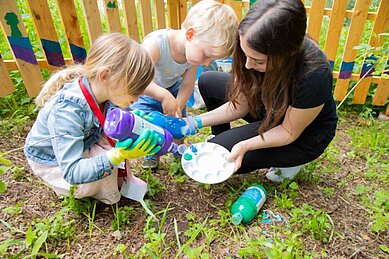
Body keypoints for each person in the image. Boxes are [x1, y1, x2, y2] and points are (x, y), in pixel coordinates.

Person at [188, 0, 338, 183]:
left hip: (301, 134)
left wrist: (245, 145)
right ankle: (221, 138)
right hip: (272, 106)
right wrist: (192, 122)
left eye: (258, 61)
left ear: (286, 53)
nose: (247, 65)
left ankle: (288, 161)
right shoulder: (253, 44)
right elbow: (241, 105)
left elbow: (288, 131)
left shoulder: (314, 74)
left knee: (219, 156)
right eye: (245, 55)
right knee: (208, 81)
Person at [24, 33, 161, 204]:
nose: (140, 94)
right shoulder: (67, 110)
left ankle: (119, 178)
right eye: (135, 87)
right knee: (100, 168)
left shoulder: (107, 91)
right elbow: (73, 171)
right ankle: (95, 188)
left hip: (87, 140)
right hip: (55, 162)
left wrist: (132, 121)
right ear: (105, 76)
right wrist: (117, 155)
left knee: (121, 137)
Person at [131, 0, 238, 169]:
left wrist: (177, 106)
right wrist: (163, 95)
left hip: (173, 89)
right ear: (190, 35)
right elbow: (137, 80)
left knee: (178, 124)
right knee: (151, 129)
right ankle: (152, 153)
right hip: (148, 92)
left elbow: (187, 84)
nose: (207, 62)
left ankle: (177, 149)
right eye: (206, 55)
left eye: (211, 59)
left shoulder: (193, 53)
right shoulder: (156, 44)